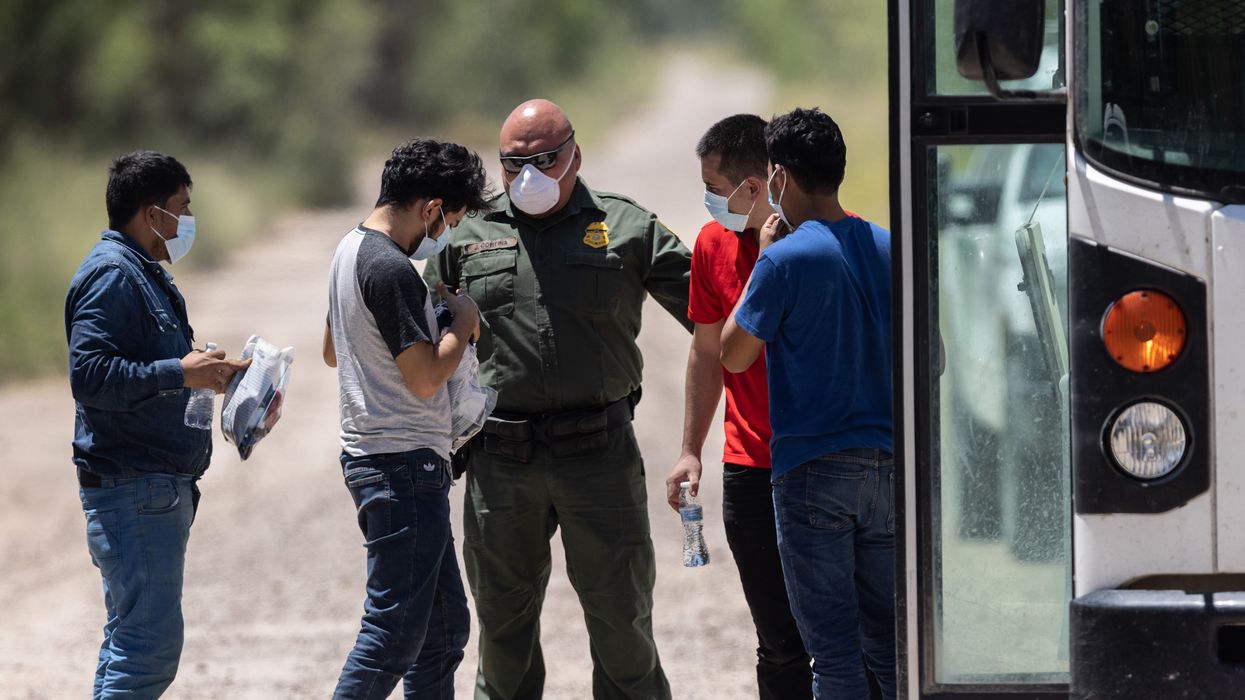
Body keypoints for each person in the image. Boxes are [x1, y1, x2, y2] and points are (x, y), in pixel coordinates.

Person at [423, 98, 691, 700]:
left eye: (544, 160)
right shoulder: (467, 238)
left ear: (575, 155)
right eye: (513, 164)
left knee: (623, 627)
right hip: (501, 461)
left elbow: (717, 313)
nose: (528, 177)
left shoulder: (626, 227)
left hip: (598, 456)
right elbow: (411, 335)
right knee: (503, 634)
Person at [721, 108, 896, 700]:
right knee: (892, 648)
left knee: (834, 657)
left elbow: (735, 353)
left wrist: (763, 259)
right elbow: (935, 357)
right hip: (890, 468)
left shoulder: (785, 258)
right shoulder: (890, 247)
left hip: (813, 472)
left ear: (781, 178)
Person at [66, 150, 250, 698]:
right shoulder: (111, 276)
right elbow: (90, 376)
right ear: (152, 215)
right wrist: (177, 370)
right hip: (134, 488)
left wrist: (207, 371)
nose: (187, 220)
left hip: (150, 488)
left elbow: (147, 366)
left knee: (131, 645)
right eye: (181, 208)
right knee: (146, 656)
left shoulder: (141, 273)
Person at [322, 138, 491, 699]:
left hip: (388, 462)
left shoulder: (349, 249)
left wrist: (428, 324)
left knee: (442, 632)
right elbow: (423, 378)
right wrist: (460, 325)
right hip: (400, 469)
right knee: (392, 636)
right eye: (450, 220)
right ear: (431, 206)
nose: (444, 234)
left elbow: (334, 348)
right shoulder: (389, 266)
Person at [662, 114, 815, 699]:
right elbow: (708, 355)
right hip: (750, 467)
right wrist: (689, 450)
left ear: (758, 185)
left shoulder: (821, 241)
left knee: (841, 633)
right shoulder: (712, 245)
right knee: (778, 641)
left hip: (824, 464)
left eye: (716, 189)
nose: (708, 202)